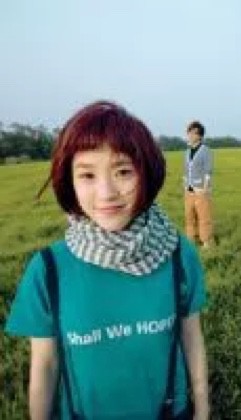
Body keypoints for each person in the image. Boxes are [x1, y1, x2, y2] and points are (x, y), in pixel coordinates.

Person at [5, 101, 209, 420]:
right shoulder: (47, 270)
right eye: (87, 175)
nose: (106, 193)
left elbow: (191, 338)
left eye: (123, 172)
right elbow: (45, 364)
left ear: (146, 173)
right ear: (69, 181)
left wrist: (203, 409)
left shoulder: (177, 253)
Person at [183, 122, 214, 249]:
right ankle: (191, 239)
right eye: (189, 132)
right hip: (189, 190)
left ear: (200, 136)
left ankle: (207, 242)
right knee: (189, 216)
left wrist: (205, 189)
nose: (190, 135)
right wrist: (185, 186)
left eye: (193, 133)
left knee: (204, 216)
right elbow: (186, 170)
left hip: (201, 189)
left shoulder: (205, 151)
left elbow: (208, 171)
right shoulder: (187, 151)